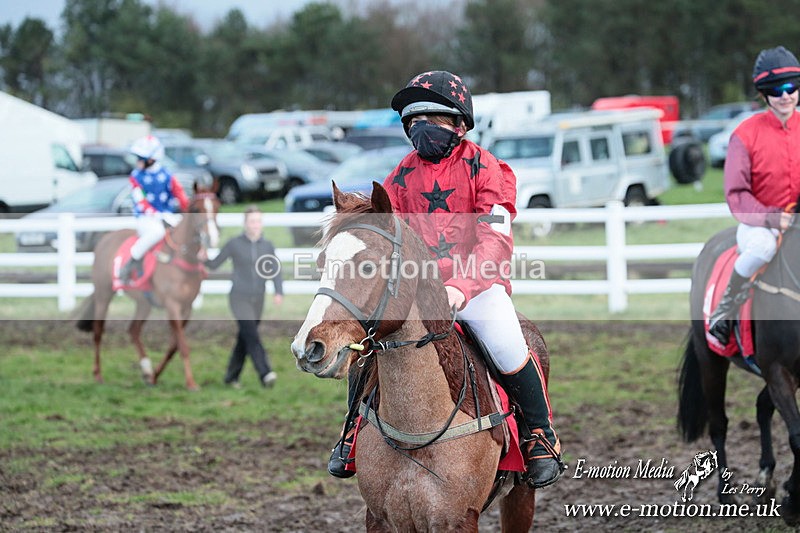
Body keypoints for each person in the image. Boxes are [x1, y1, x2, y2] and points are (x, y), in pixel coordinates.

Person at [327, 70, 564, 489]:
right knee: (366, 344)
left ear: (459, 124)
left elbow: (495, 239)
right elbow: (391, 238)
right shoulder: (400, 175)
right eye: (413, 123)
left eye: (432, 120)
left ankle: (540, 436)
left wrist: (461, 286)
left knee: (508, 345)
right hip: (419, 291)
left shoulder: (486, 168)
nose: (422, 129)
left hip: (477, 287)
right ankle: (352, 433)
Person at [708, 46, 800, 344]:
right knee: (761, 249)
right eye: (776, 90)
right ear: (764, 94)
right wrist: (773, 218)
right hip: (759, 223)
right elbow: (737, 194)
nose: (785, 95)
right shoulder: (744, 135)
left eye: (791, 87)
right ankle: (725, 309)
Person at [205, 206, 284, 388]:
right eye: (252, 221)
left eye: (258, 221)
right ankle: (265, 373)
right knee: (252, 335)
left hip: (259, 298)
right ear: (245, 223)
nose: (255, 225)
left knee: (245, 336)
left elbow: (275, 270)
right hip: (239, 298)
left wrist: (278, 291)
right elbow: (215, 263)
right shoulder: (234, 243)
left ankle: (231, 377)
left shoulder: (267, 245)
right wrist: (202, 258)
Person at [119, 135, 189, 283]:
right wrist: (157, 215)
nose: (137, 160)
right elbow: (140, 201)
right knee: (156, 232)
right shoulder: (136, 177)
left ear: (151, 159)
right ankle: (131, 262)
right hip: (146, 218)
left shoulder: (168, 175)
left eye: (140, 157)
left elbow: (180, 196)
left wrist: (189, 211)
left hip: (167, 216)